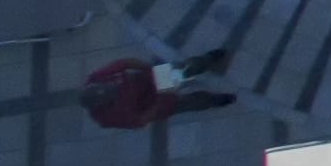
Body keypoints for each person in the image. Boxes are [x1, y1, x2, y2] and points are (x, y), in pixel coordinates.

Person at [79, 50, 235, 130]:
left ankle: (208, 59)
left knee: (185, 69)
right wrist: (161, 101)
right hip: (155, 104)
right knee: (191, 102)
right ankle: (217, 100)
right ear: (101, 104)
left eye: (108, 87)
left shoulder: (97, 78)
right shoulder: (107, 118)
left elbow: (124, 63)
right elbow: (140, 120)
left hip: (149, 79)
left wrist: (150, 70)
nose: (112, 88)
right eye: (109, 94)